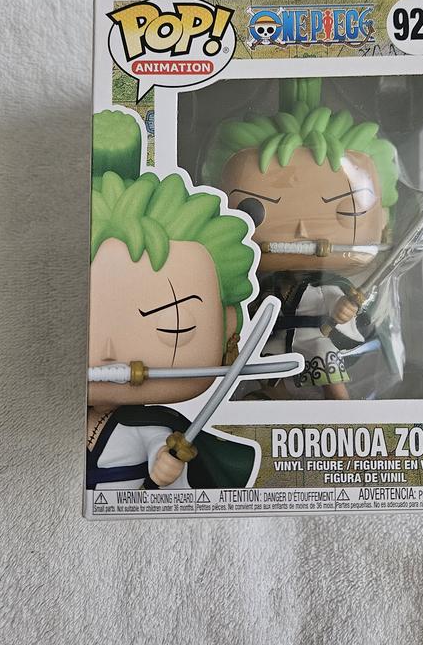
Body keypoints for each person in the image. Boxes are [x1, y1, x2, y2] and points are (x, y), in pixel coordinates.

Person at [87, 109, 257, 490]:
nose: (109, 354)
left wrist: (164, 462)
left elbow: (163, 456)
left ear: (228, 325)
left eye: (172, 325)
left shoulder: (150, 428)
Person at [204, 78, 399, 400]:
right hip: (279, 337)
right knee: (268, 367)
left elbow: (344, 304)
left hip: (317, 336)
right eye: (255, 209)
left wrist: (345, 310)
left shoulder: (327, 285)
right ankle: (271, 399)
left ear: (383, 221)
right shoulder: (266, 285)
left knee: (326, 361)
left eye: (346, 210)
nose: (302, 230)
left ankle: (340, 406)